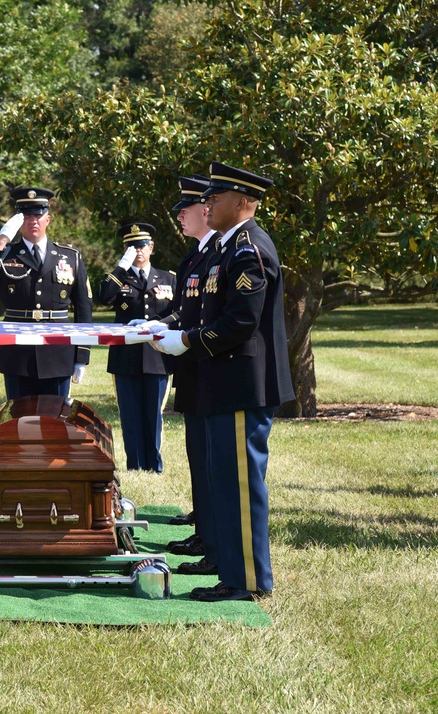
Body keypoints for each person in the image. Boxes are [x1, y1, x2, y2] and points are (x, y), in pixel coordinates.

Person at [152, 161, 295, 602]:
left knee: (239, 488)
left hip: (240, 384)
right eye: (208, 197)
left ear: (243, 202)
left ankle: (248, 580)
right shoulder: (229, 247)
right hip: (225, 382)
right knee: (223, 484)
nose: (207, 203)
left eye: (216, 197)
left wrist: (187, 341)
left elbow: (240, 322)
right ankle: (232, 571)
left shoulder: (249, 248)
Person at [0, 186, 93, 399]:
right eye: (26, 215)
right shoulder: (6, 254)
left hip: (57, 353)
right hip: (17, 354)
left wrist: (82, 354)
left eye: (38, 214)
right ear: (17, 221)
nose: (33, 220)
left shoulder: (70, 256)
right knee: (19, 424)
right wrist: (1, 242)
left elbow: (83, 307)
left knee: (55, 423)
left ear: (48, 219)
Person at [164, 175, 222, 575]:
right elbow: (186, 311)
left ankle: (213, 536)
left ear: (206, 209)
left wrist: (178, 336)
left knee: (210, 460)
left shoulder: (219, 252)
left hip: (209, 367)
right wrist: (154, 325)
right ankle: (205, 529)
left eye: (185, 209)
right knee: (198, 457)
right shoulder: (196, 256)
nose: (179, 216)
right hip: (196, 369)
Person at [96, 223, 176, 473]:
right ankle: (135, 465)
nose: (137, 250)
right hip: (125, 356)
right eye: (131, 246)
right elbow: (103, 297)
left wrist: (159, 323)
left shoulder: (168, 278)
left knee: (154, 414)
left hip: (157, 356)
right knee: (130, 415)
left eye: (141, 245)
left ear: (151, 248)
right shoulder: (120, 278)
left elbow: (179, 311)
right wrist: (121, 266)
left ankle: (154, 464)